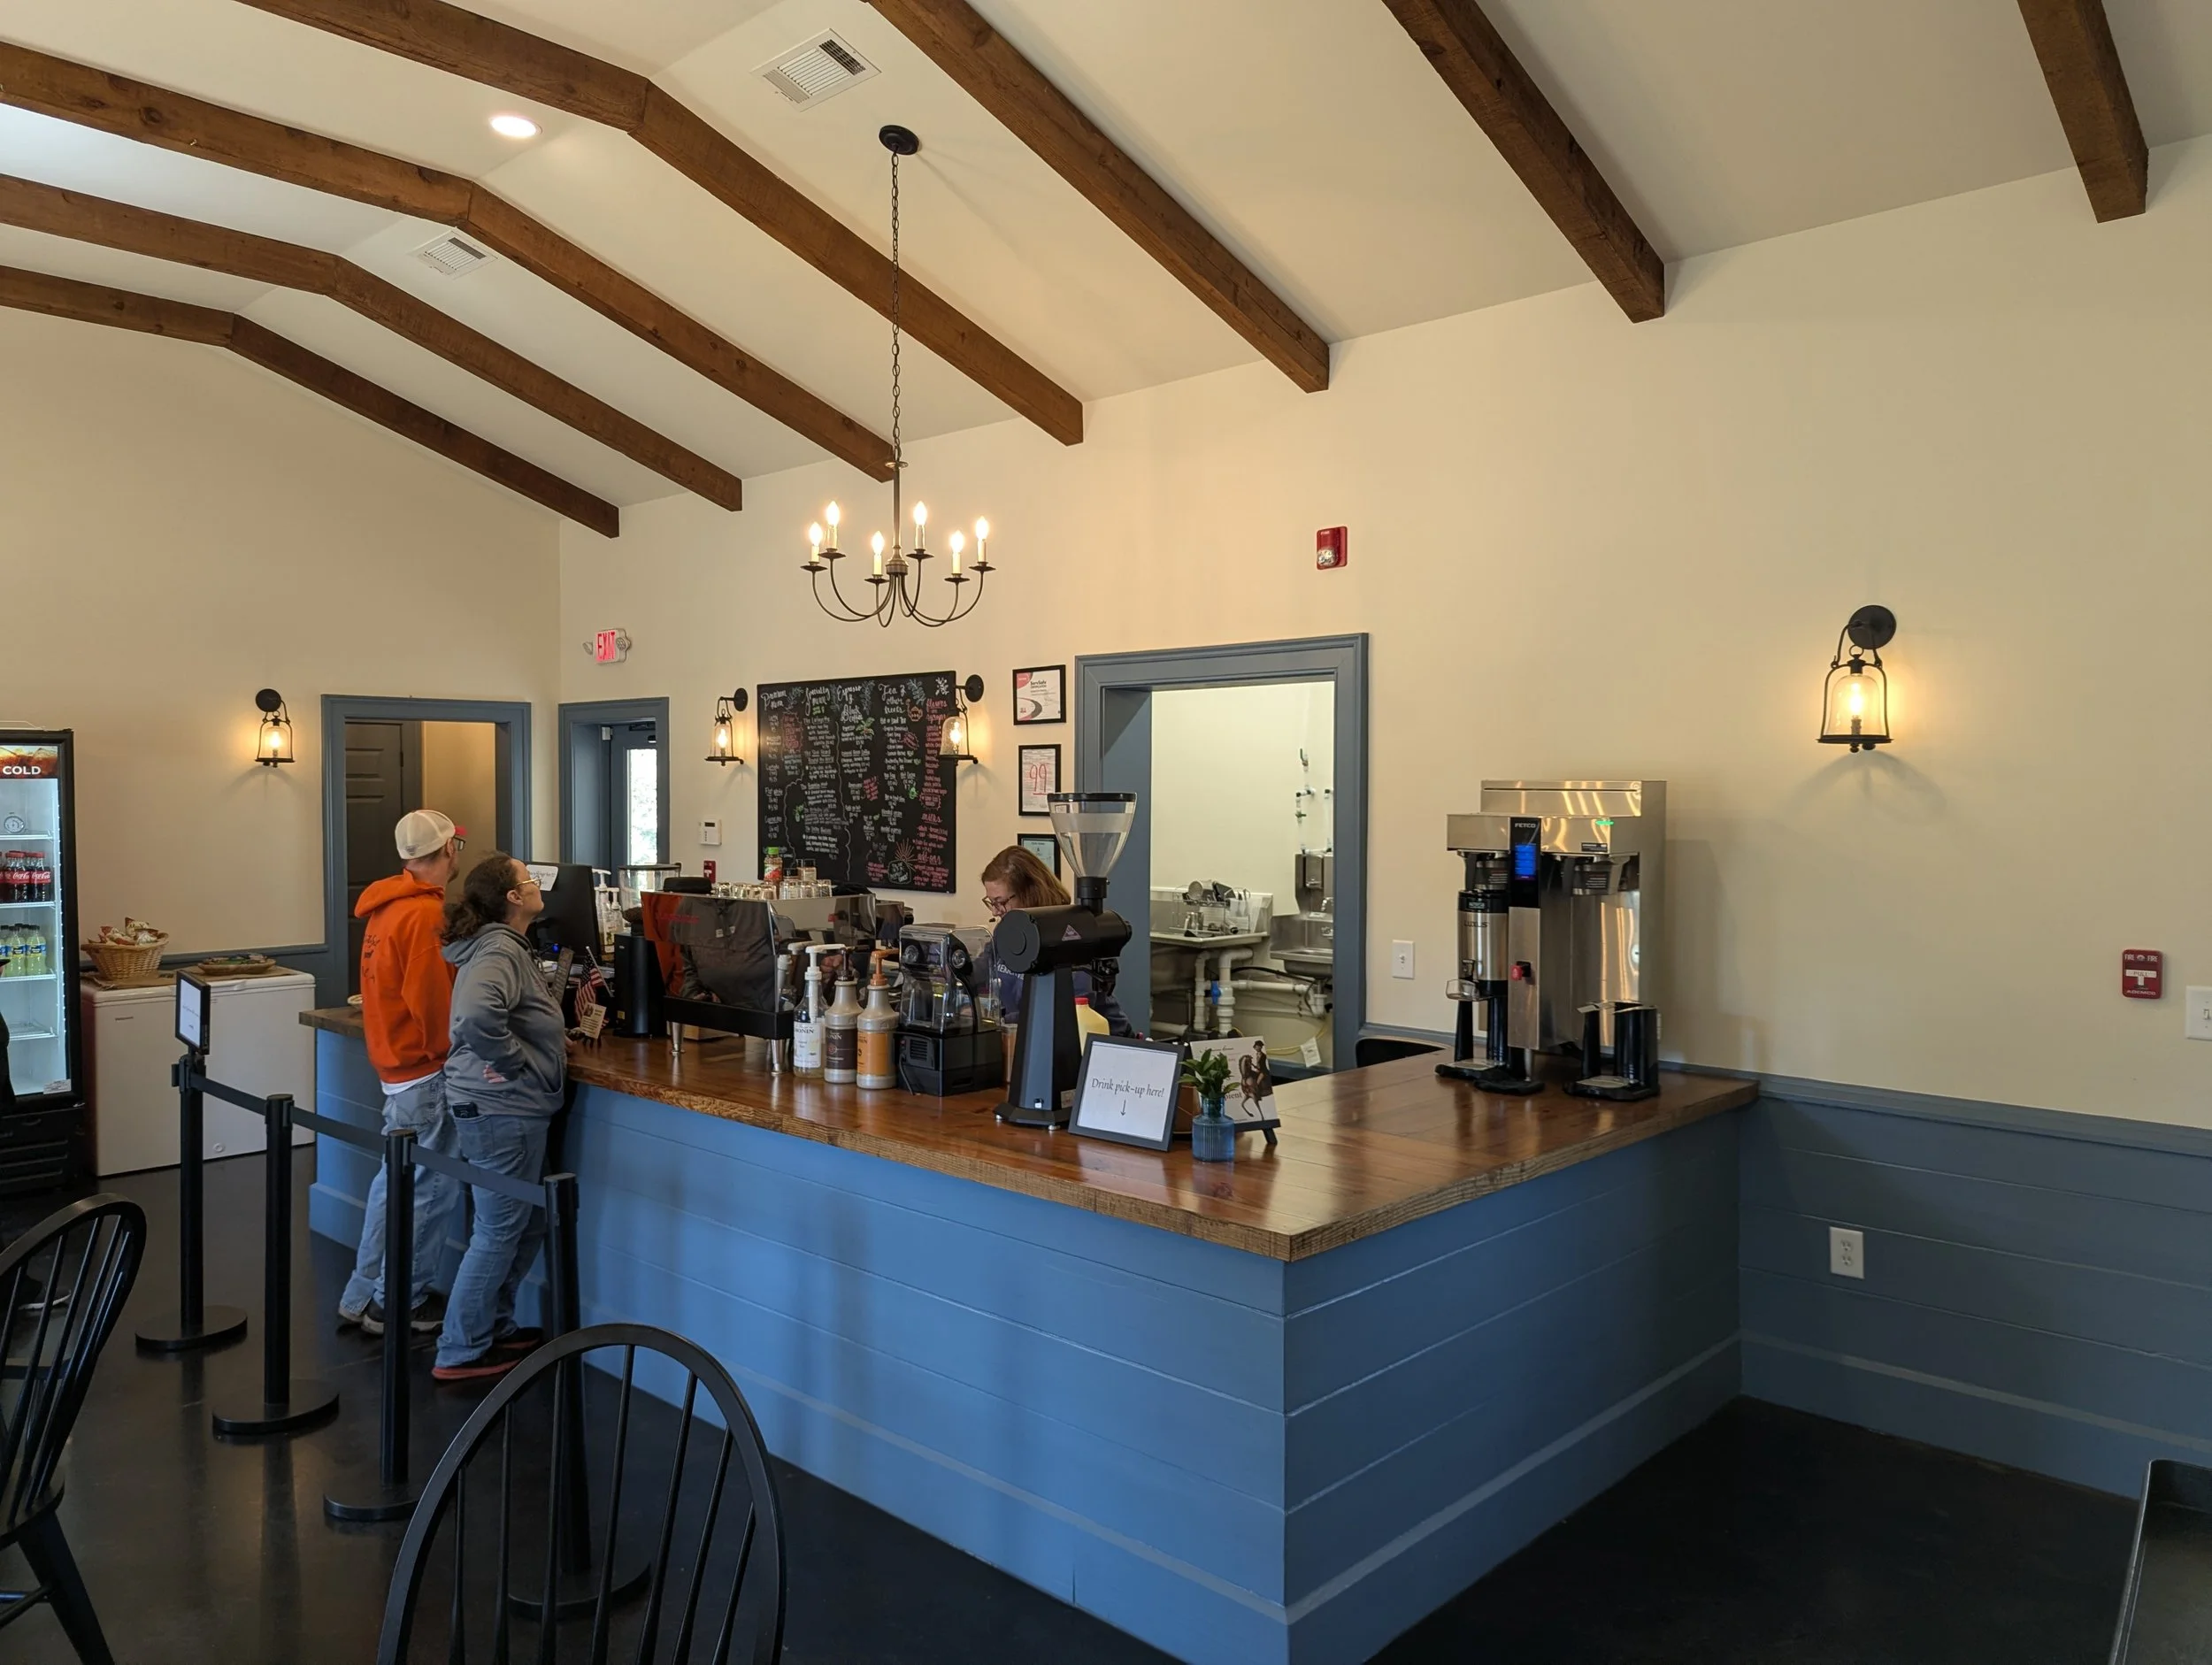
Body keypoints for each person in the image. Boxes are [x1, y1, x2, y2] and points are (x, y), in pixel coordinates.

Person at [434, 852, 566, 1384]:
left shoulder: (499, 946)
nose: (538, 886)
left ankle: (493, 1325)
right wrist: (514, 1062)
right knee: (498, 1229)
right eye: (531, 880)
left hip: (492, 1106)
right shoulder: (499, 951)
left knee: (523, 1221)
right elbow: (474, 1015)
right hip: (500, 1109)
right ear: (514, 899)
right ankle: (462, 1349)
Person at [337, 809, 465, 1337]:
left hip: (393, 1064)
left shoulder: (385, 909)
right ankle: (398, 1302)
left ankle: (362, 1292)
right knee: (430, 1189)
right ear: (448, 851)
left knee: (393, 1184)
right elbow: (433, 1005)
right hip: (425, 1067)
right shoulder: (426, 917)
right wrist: (455, 1052)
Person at [979, 845, 1136, 1036]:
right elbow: (981, 971)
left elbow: (1070, 1010)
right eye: (991, 903)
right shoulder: (1007, 934)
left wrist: (998, 1020)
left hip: (1094, 1044)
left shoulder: (1069, 935)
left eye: (1001, 902)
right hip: (1024, 1038)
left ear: (1030, 892)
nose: (995, 911)